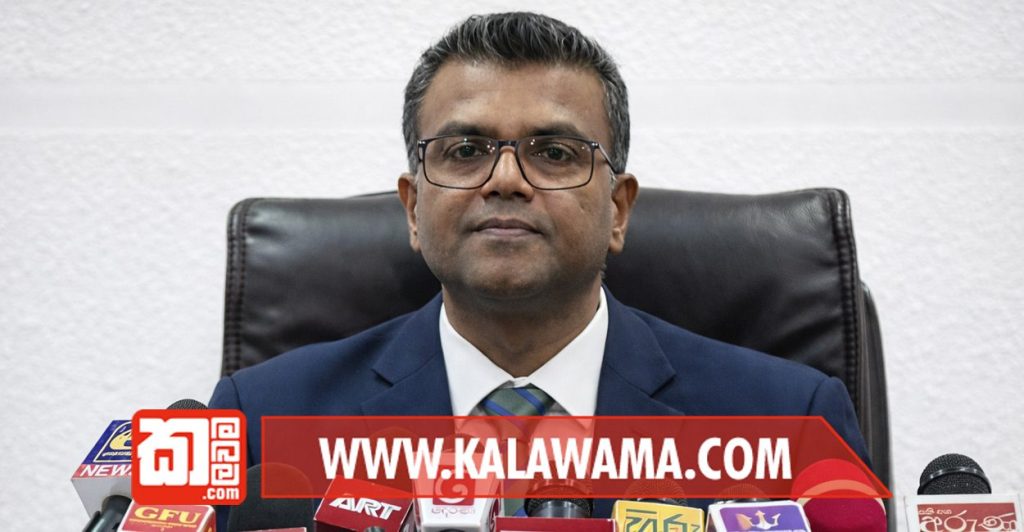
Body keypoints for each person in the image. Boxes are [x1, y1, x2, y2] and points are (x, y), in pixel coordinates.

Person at [209, 11, 870, 521]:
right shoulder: (262, 421)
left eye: (553, 153)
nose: (506, 180)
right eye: (465, 150)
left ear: (618, 209)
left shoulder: (791, 423)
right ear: (412, 208)